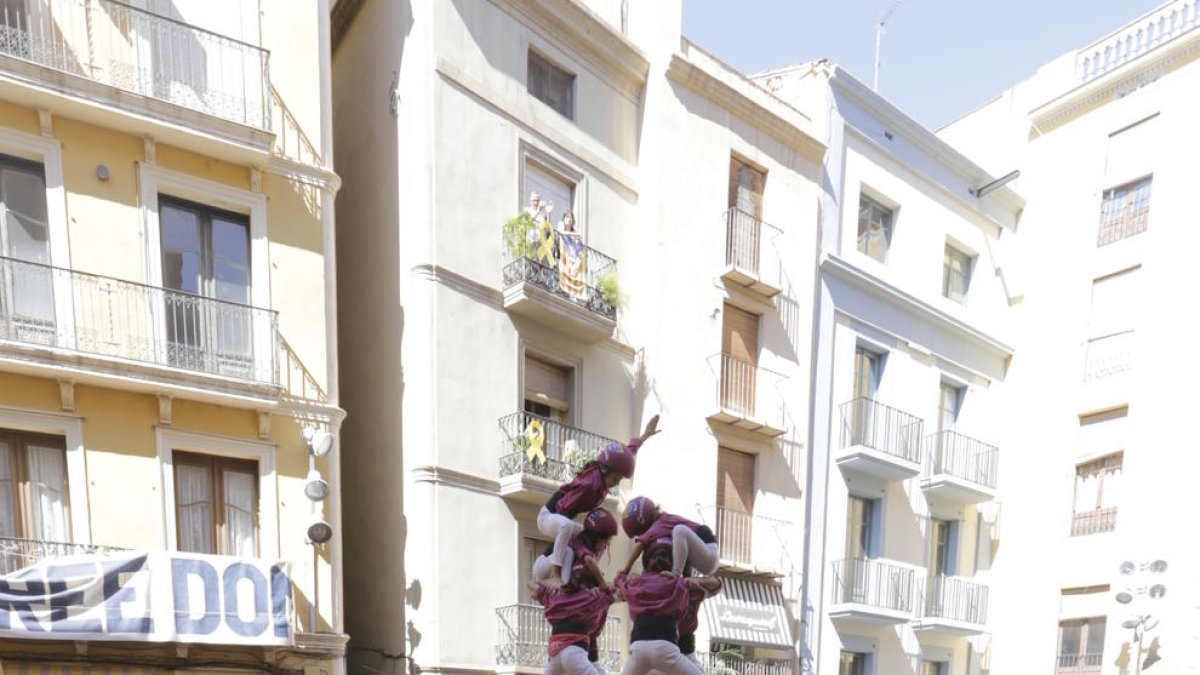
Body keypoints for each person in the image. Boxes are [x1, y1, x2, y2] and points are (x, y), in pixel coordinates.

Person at [540, 416, 660, 584]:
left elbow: (627, 451)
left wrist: (645, 436)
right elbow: (563, 509)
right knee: (567, 526)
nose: (615, 484)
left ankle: (590, 572)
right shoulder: (588, 484)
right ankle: (555, 574)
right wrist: (568, 540)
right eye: (616, 480)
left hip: (564, 519)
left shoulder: (604, 477)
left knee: (599, 537)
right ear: (605, 470)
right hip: (549, 516)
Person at [613, 549, 716, 675]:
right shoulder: (676, 583)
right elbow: (706, 591)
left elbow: (618, 581)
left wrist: (626, 572)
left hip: (638, 648)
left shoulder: (637, 583)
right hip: (665, 648)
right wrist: (690, 582)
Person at [529, 577, 615, 675]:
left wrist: (550, 581)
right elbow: (611, 593)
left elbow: (531, 584)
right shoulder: (589, 597)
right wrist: (599, 577)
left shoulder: (555, 595)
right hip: (574, 651)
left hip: (554, 654)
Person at [621, 496, 719, 577]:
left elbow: (639, 545)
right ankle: (680, 576)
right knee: (679, 546)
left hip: (709, 553)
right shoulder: (665, 522)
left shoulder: (659, 524)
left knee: (679, 530)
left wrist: (626, 570)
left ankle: (676, 574)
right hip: (705, 554)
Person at [533, 508, 618, 591]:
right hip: (542, 566)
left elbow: (590, 569)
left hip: (558, 569)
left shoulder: (594, 550)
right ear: (595, 538)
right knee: (568, 552)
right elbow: (589, 561)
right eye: (605, 543)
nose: (605, 548)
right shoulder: (580, 541)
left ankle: (567, 586)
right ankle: (563, 586)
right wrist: (602, 582)